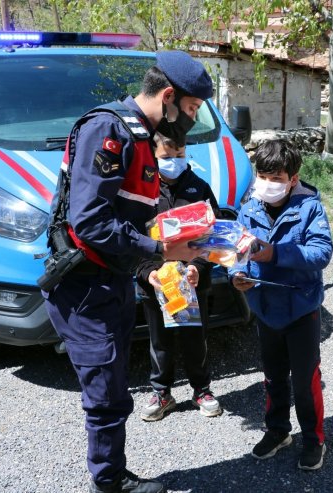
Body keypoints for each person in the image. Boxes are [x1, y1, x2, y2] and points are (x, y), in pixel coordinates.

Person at [41, 51, 213, 493]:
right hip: (83, 286)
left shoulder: (141, 139)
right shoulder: (109, 130)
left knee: (115, 387)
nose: (190, 121)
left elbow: (131, 222)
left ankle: (112, 474)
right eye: (191, 110)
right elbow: (91, 222)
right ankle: (110, 482)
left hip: (112, 280)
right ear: (169, 96)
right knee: (104, 394)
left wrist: (153, 267)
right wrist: (160, 248)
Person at [229, 139, 333, 471]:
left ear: (293, 178)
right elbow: (237, 251)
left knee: (304, 380)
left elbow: (322, 253)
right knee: (273, 377)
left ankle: (314, 438)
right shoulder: (249, 207)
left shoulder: (309, 208)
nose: (269, 184)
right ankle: (277, 430)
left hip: (301, 309)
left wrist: (276, 253)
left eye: (277, 178)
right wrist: (236, 275)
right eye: (263, 176)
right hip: (264, 309)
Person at [135, 133, 222, 422]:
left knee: (196, 338)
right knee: (160, 342)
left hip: (193, 282)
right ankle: (162, 392)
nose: (175, 161)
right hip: (156, 283)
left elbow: (214, 235)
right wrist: (148, 273)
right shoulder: (140, 191)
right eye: (167, 156)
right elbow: (130, 240)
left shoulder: (199, 188)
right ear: (152, 156)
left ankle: (202, 389)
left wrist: (199, 265)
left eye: (180, 154)